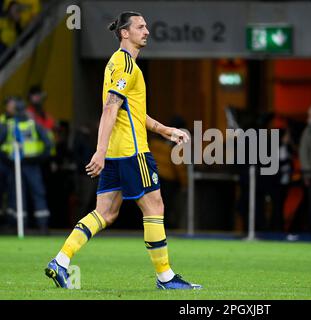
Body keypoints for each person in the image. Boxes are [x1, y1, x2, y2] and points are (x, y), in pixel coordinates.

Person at [44, 11, 201, 290]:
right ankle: (165, 278)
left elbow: (133, 112)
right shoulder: (127, 66)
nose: (147, 31)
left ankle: (61, 261)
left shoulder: (117, 64)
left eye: (147, 26)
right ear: (124, 33)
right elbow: (110, 108)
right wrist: (99, 151)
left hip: (119, 151)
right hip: (133, 152)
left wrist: (166, 130)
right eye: (141, 26)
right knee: (155, 206)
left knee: (105, 213)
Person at [0, 97, 52, 233]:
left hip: (30, 164)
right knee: (17, 195)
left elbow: (48, 144)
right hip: (16, 164)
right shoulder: (11, 125)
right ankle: (19, 225)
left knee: (34, 193)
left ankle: (41, 225)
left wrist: (38, 158)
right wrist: (7, 159)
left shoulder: (31, 125)